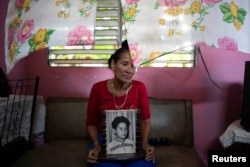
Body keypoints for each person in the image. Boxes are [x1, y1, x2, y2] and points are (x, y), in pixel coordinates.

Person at [86, 41, 155, 167]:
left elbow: (145, 120)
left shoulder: (140, 88)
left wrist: (144, 143)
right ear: (113, 65)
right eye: (125, 64)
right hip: (104, 142)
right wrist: (96, 145)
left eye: (133, 66)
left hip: (135, 141)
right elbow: (91, 122)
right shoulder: (97, 88)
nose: (130, 70)